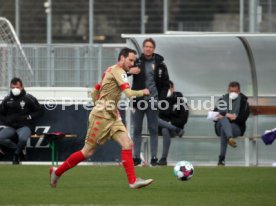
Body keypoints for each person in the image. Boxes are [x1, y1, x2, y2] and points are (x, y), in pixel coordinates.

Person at [49, 47, 154, 189]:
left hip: (113, 116)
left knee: (127, 143)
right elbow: (129, 93)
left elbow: (95, 91)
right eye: (130, 60)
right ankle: (57, 172)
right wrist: (144, 91)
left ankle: (133, 181)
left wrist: (99, 104)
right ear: (122, 58)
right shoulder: (120, 72)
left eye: (134, 61)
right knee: (87, 152)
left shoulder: (110, 70)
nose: (132, 63)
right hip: (101, 117)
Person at [128, 38, 170, 166]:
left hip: (153, 101)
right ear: (143, 47)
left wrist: (160, 100)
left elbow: (165, 84)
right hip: (139, 100)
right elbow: (122, 74)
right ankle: (136, 157)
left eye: (150, 46)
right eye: (146, 46)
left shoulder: (160, 64)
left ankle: (153, 158)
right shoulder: (136, 61)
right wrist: (129, 71)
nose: (148, 48)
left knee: (153, 129)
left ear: (154, 49)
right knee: (137, 130)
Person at [0, 77, 43, 164]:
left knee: (23, 139)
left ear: (22, 87)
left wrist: (28, 117)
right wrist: (6, 120)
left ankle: (16, 156)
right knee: (1, 138)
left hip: (25, 126)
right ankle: (18, 150)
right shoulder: (7, 99)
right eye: (13, 87)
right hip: (11, 127)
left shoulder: (28, 98)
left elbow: (39, 111)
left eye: (17, 87)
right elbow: (1, 113)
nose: (15, 89)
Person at [213, 81, 250, 166]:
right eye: (231, 91)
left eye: (235, 91)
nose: (233, 93)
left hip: (236, 127)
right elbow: (215, 114)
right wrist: (222, 116)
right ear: (228, 91)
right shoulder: (222, 100)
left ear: (239, 91)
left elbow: (243, 118)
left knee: (224, 129)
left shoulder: (243, 102)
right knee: (223, 118)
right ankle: (230, 138)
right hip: (220, 125)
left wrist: (234, 118)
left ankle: (221, 159)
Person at [157, 80, 189, 166]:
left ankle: (163, 158)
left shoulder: (180, 100)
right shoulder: (160, 100)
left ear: (172, 89)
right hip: (163, 128)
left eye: (167, 88)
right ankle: (163, 159)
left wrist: (171, 122)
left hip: (175, 127)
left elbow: (184, 119)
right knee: (158, 122)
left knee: (165, 129)